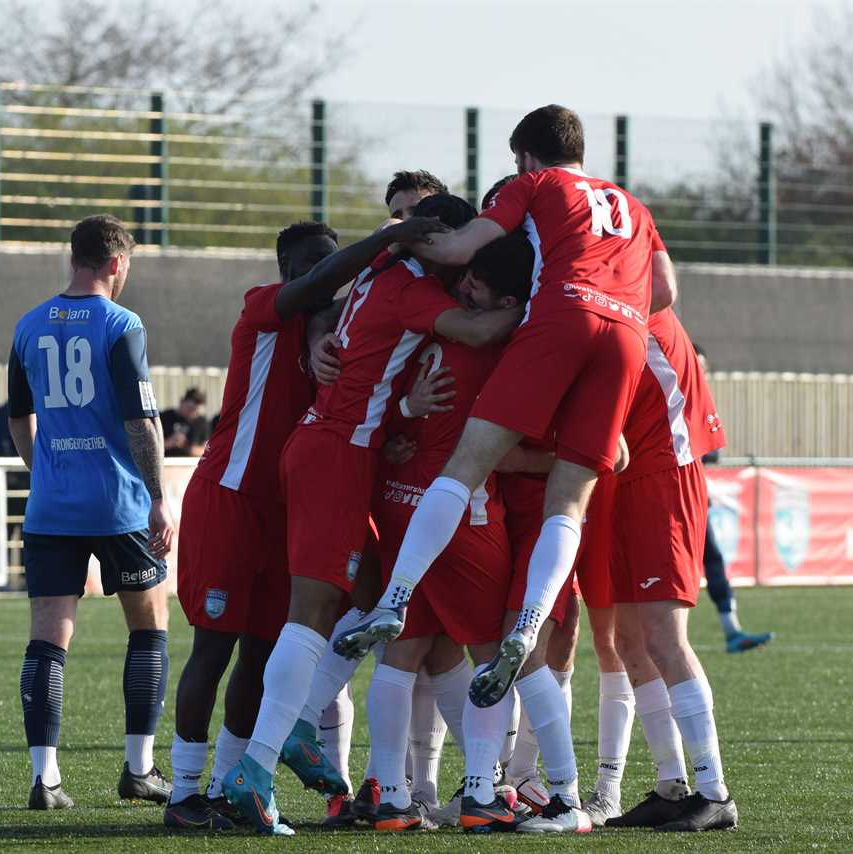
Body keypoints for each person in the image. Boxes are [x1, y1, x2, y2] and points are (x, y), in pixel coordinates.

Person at [338, 105, 675, 823]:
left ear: (526, 158)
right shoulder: (633, 207)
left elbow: (461, 252)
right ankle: (522, 648)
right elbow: (666, 292)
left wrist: (407, 238)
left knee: (462, 467)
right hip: (624, 330)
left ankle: (396, 601)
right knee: (569, 506)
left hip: (559, 320)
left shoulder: (536, 190)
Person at [221, 193, 522, 835]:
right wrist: (545, 308)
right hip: (337, 452)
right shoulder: (410, 288)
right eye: (455, 245)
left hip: (337, 448)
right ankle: (259, 764)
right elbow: (475, 328)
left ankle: (295, 733)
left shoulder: (381, 277)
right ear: (431, 242)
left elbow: (346, 317)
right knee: (311, 614)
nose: (461, 260)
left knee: (371, 599)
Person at [164, 215, 449, 831]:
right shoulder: (263, 307)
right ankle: (182, 792)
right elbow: (319, 288)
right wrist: (385, 240)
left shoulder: (342, 329)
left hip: (287, 510)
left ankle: (227, 786)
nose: (326, 275)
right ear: (290, 271)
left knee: (265, 655)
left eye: (332, 261)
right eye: (315, 264)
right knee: (212, 649)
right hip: (230, 497)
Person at [363, 233, 537, 832]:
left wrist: (406, 414)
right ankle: (485, 793)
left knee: (406, 651)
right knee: (495, 651)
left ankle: (390, 796)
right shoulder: (500, 339)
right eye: (467, 278)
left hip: (401, 497)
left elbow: (385, 397)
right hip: (462, 513)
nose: (464, 286)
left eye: (476, 281)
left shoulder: (434, 326)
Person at [7, 214, 176, 809]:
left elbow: (17, 417)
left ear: (70, 258)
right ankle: (140, 769)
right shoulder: (121, 323)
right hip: (118, 504)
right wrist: (157, 495)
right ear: (116, 263)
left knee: (48, 641)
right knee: (149, 627)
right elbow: (140, 419)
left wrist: (45, 471)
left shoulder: (29, 326)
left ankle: (45, 780)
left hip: (52, 507)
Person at [575, 299, 739, 832]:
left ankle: (715, 793)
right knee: (629, 643)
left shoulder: (638, 308)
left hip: (663, 480)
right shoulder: (618, 307)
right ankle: (672, 785)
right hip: (628, 482)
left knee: (666, 639)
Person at [692, 345, 773, 653]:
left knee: (711, 560)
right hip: (667, 498)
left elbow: (713, 452)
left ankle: (732, 630)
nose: (700, 373)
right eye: (696, 366)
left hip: (695, 497)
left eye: (704, 368)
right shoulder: (676, 397)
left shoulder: (699, 400)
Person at [161, 388, 208, 457]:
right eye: (190, 408)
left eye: (196, 411)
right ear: (182, 402)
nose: (192, 413)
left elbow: (206, 451)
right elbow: (151, 446)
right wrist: (168, 443)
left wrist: (186, 447)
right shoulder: (165, 417)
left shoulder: (201, 422)